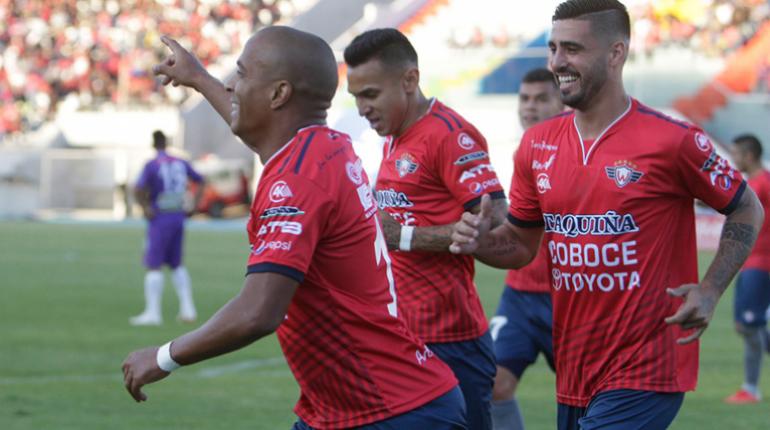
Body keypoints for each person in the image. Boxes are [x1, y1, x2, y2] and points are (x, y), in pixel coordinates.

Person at [123, 27, 467, 430]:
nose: (232, 86)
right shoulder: (325, 146)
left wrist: (165, 356)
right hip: (353, 407)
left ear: (278, 94)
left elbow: (258, 312)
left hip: (389, 412)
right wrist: (198, 78)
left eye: (242, 73)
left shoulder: (299, 177)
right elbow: (262, 131)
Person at [449, 1, 764, 429]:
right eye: (553, 48)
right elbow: (521, 246)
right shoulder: (536, 145)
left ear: (616, 53)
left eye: (573, 49)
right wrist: (480, 243)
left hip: (648, 365)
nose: (558, 61)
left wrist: (710, 290)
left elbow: (746, 206)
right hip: (577, 365)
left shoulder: (674, 140)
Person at [345, 28, 507, 430]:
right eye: (356, 98)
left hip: (451, 341)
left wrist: (404, 236)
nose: (363, 108)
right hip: (400, 336)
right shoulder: (393, 139)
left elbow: (496, 218)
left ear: (410, 80)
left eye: (370, 94)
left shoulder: (450, 135)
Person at [488, 68, 564, 430]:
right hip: (519, 295)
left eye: (541, 99)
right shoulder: (525, 150)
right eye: (524, 98)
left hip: (567, 297)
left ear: (562, 102)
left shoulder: (578, 151)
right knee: (494, 384)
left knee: (587, 397)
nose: (529, 107)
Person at [130, 130, 204, 326]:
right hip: (178, 215)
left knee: (154, 264)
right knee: (176, 263)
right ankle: (188, 309)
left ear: (153, 144)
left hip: (160, 216)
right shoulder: (180, 162)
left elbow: (137, 188)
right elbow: (200, 180)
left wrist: (145, 207)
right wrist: (194, 205)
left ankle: (152, 313)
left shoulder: (152, 164)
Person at [724, 134, 770, 404]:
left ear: (749, 155)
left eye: (736, 153)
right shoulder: (753, 183)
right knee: (746, 326)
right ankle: (750, 387)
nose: (734, 158)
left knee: (750, 326)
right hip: (749, 264)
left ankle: (750, 389)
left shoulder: (763, 183)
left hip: (761, 265)